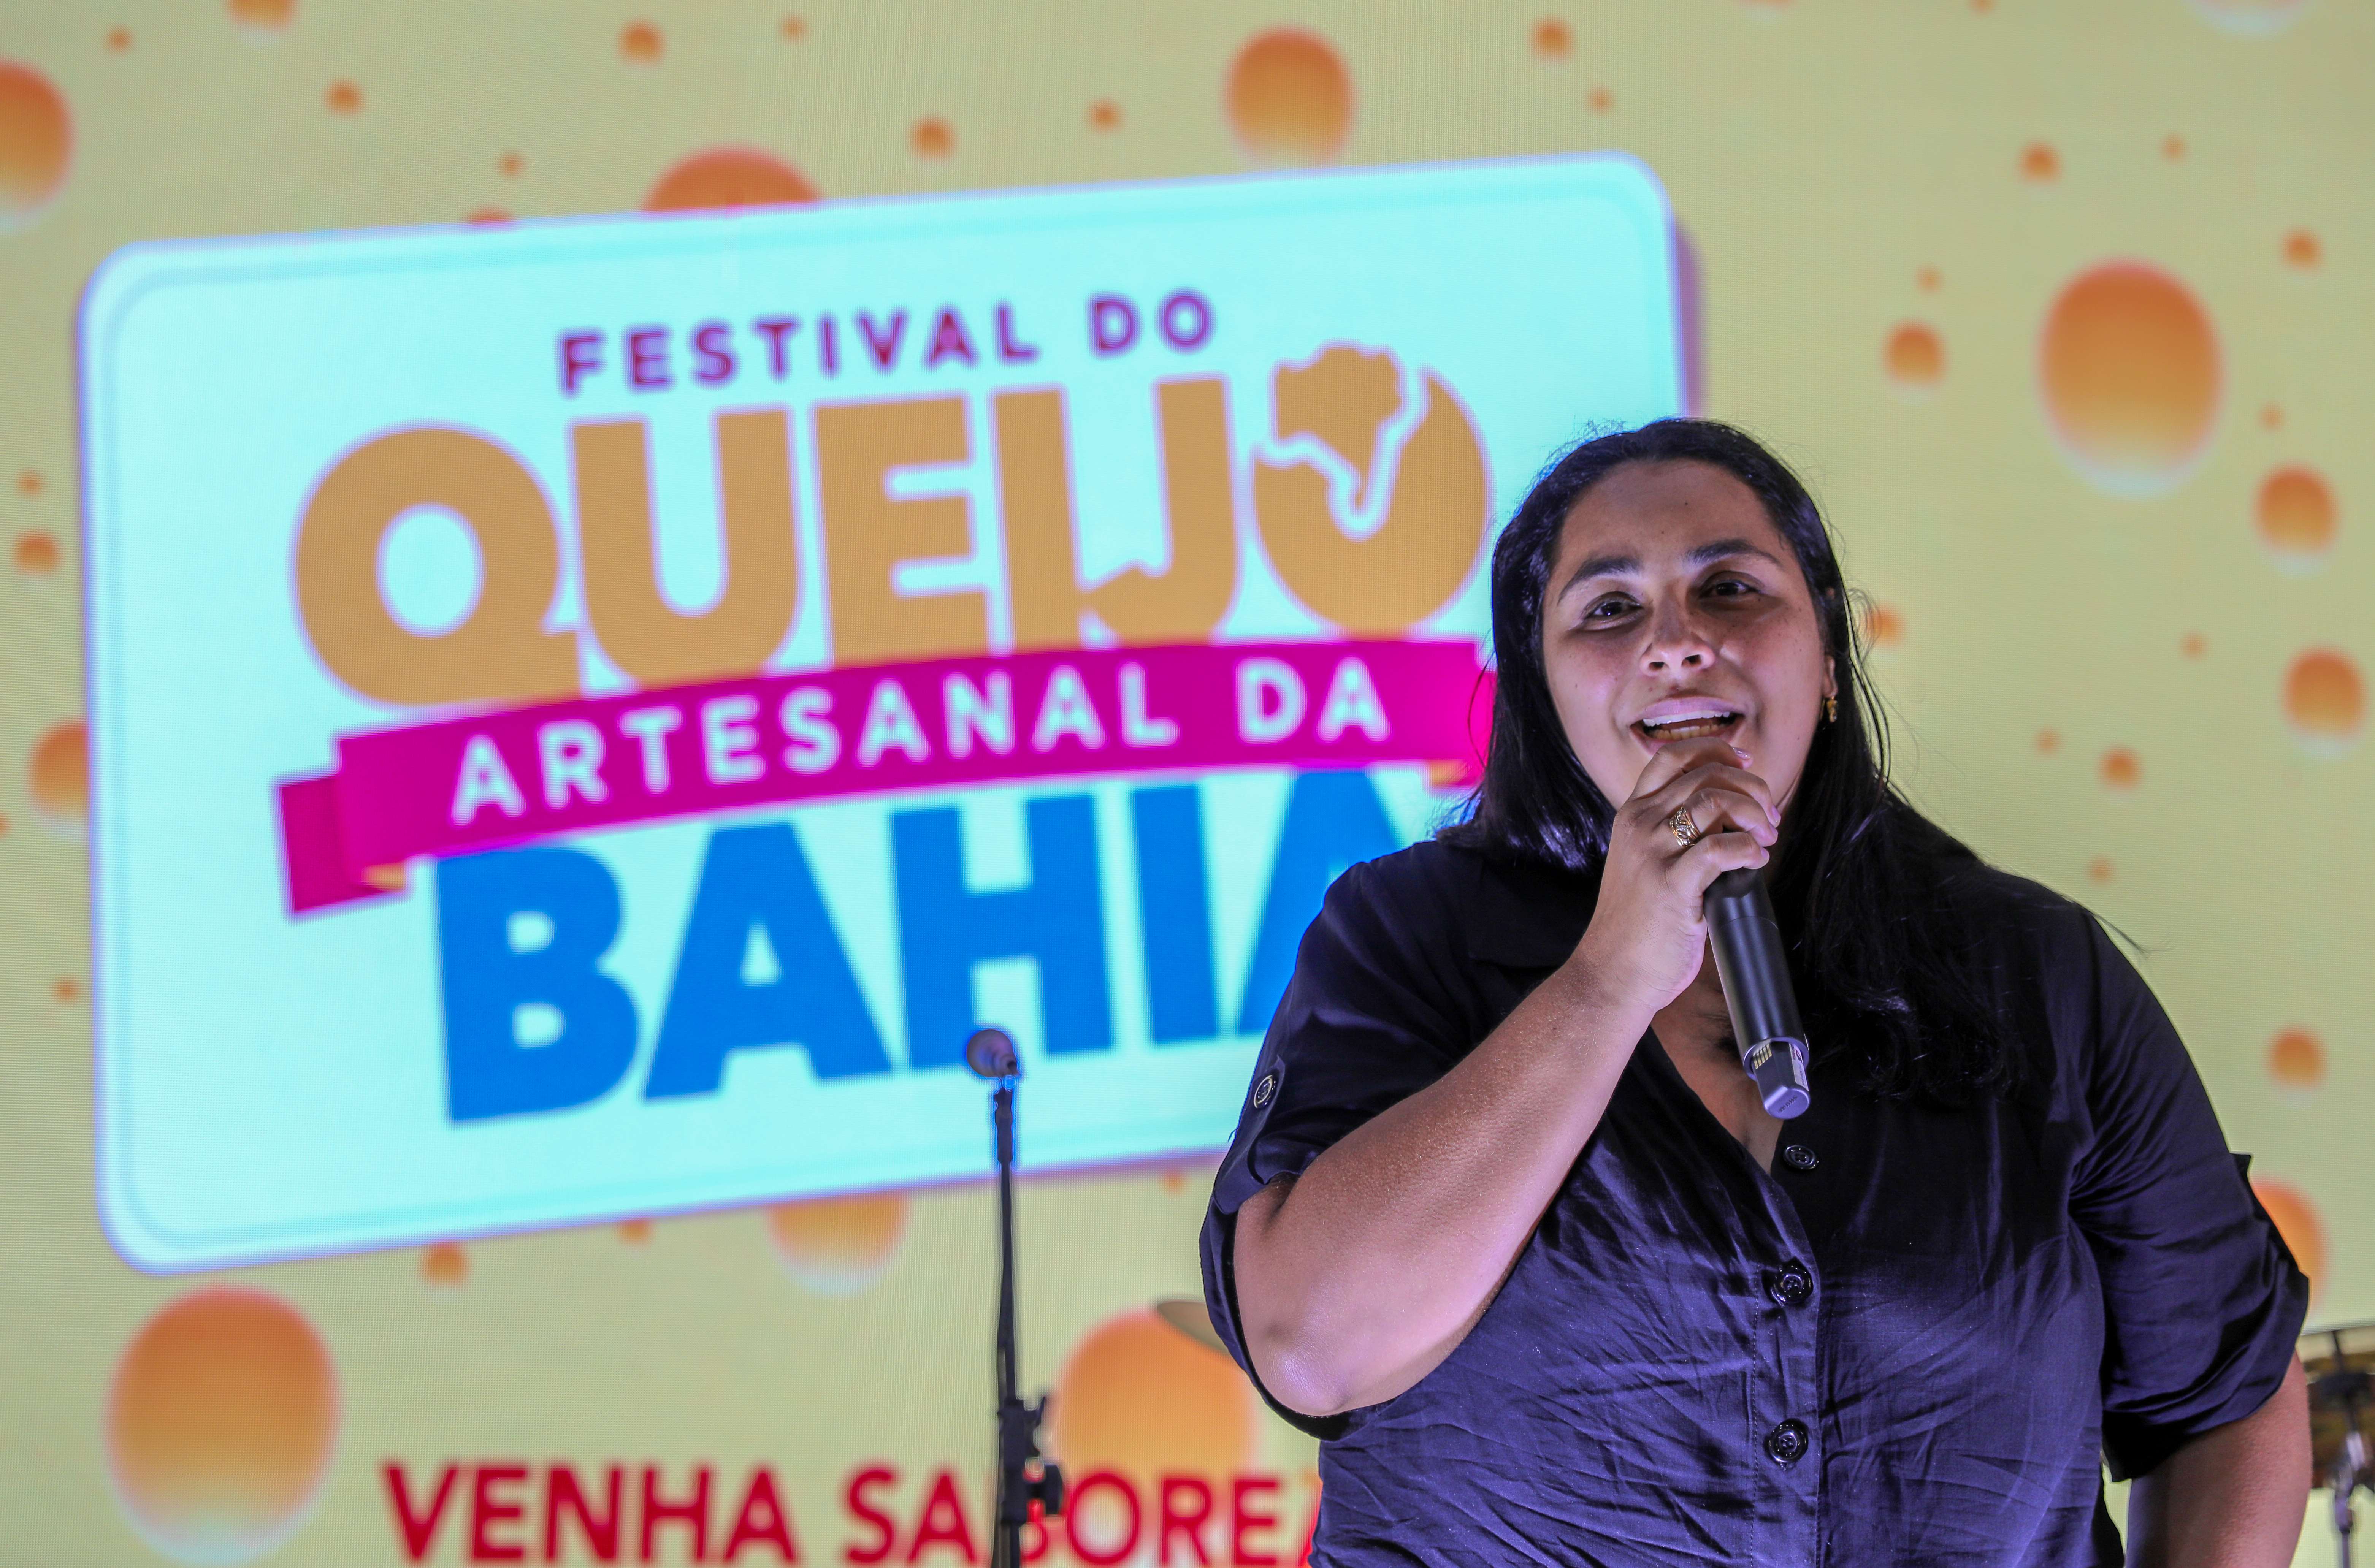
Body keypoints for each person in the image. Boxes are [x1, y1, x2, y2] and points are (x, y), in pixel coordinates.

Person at [1199, 420, 2310, 1567]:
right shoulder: (1412, 938)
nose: (1678, 644)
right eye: (1610, 609)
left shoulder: (2034, 971)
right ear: (1543, 689)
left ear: (1826, 659)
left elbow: (2226, 1391)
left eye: (1730, 589)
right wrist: (1606, 980)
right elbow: (1313, 1348)